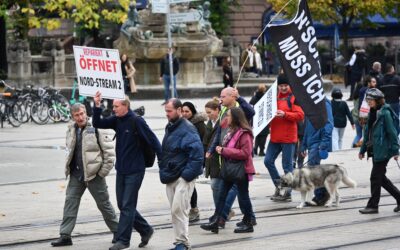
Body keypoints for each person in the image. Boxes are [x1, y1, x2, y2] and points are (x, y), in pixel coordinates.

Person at [92, 92, 162, 250]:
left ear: (125, 106)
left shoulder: (137, 121)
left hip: (135, 170)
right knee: (122, 205)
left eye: (116, 106)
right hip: (122, 169)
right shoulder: (117, 120)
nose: (113, 109)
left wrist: (163, 160)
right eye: (113, 106)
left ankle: (123, 240)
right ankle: (146, 229)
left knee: (128, 205)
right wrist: (96, 105)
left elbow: (153, 140)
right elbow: (97, 123)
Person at [51, 103, 118, 247]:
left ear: (86, 113)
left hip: (94, 175)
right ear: (72, 116)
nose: (80, 117)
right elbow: (70, 150)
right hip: (76, 174)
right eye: (77, 115)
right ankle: (65, 235)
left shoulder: (96, 128)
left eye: (82, 114)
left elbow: (109, 155)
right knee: (70, 203)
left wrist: (101, 173)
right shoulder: (71, 129)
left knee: (104, 205)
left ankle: (118, 233)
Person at [206, 87, 256, 227]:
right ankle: (243, 218)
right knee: (229, 192)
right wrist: (212, 149)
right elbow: (219, 133)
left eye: (223, 96)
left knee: (239, 194)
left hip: (239, 164)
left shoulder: (242, 121)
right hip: (228, 161)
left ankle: (221, 217)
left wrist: (239, 97)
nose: (220, 99)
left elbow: (251, 112)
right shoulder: (223, 111)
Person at [159, 98, 204, 250]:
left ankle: (183, 243)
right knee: (174, 211)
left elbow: (197, 155)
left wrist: (186, 176)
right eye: (166, 111)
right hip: (171, 175)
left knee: (179, 209)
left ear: (179, 110)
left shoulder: (188, 128)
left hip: (183, 177)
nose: (167, 114)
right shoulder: (170, 126)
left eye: (169, 111)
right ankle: (179, 242)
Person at [358, 88, 400, 214]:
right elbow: (367, 134)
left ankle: (373, 205)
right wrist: (363, 149)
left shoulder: (385, 113)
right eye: (368, 100)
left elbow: (392, 133)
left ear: (377, 100)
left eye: (371, 100)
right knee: (381, 178)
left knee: (375, 177)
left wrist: (395, 150)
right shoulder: (372, 112)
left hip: (384, 150)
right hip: (375, 150)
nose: (369, 102)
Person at [264, 74, 304, 202]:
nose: (283, 88)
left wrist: (285, 114)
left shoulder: (294, 97)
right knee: (267, 161)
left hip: (288, 138)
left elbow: (300, 115)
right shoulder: (273, 98)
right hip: (275, 137)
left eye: (285, 85)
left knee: (287, 167)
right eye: (281, 86)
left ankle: (287, 193)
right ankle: (280, 185)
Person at [300, 98, 334, 206]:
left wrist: (323, 144)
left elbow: (329, 124)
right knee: (314, 169)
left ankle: (321, 195)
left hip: (318, 143)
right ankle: (323, 193)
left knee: (313, 169)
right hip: (311, 142)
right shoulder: (309, 102)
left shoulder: (324, 102)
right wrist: (304, 144)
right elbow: (307, 126)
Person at [182, 101, 207, 223]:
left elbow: (203, 143)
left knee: (190, 183)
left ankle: (194, 209)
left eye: (187, 111)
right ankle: (188, 209)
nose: (185, 114)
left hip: (194, 159)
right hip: (183, 159)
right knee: (186, 184)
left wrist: (201, 161)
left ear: (192, 112)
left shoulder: (199, 124)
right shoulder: (180, 123)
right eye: (183, 111)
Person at [249, 84, 269, 156]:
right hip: (264, 117)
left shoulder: (254, 97)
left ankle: (255, 148)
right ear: (264, 90)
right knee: (264, 135)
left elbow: (250, 105)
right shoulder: (266, 97)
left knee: (258, 133)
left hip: (255, 118)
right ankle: (261, 150)